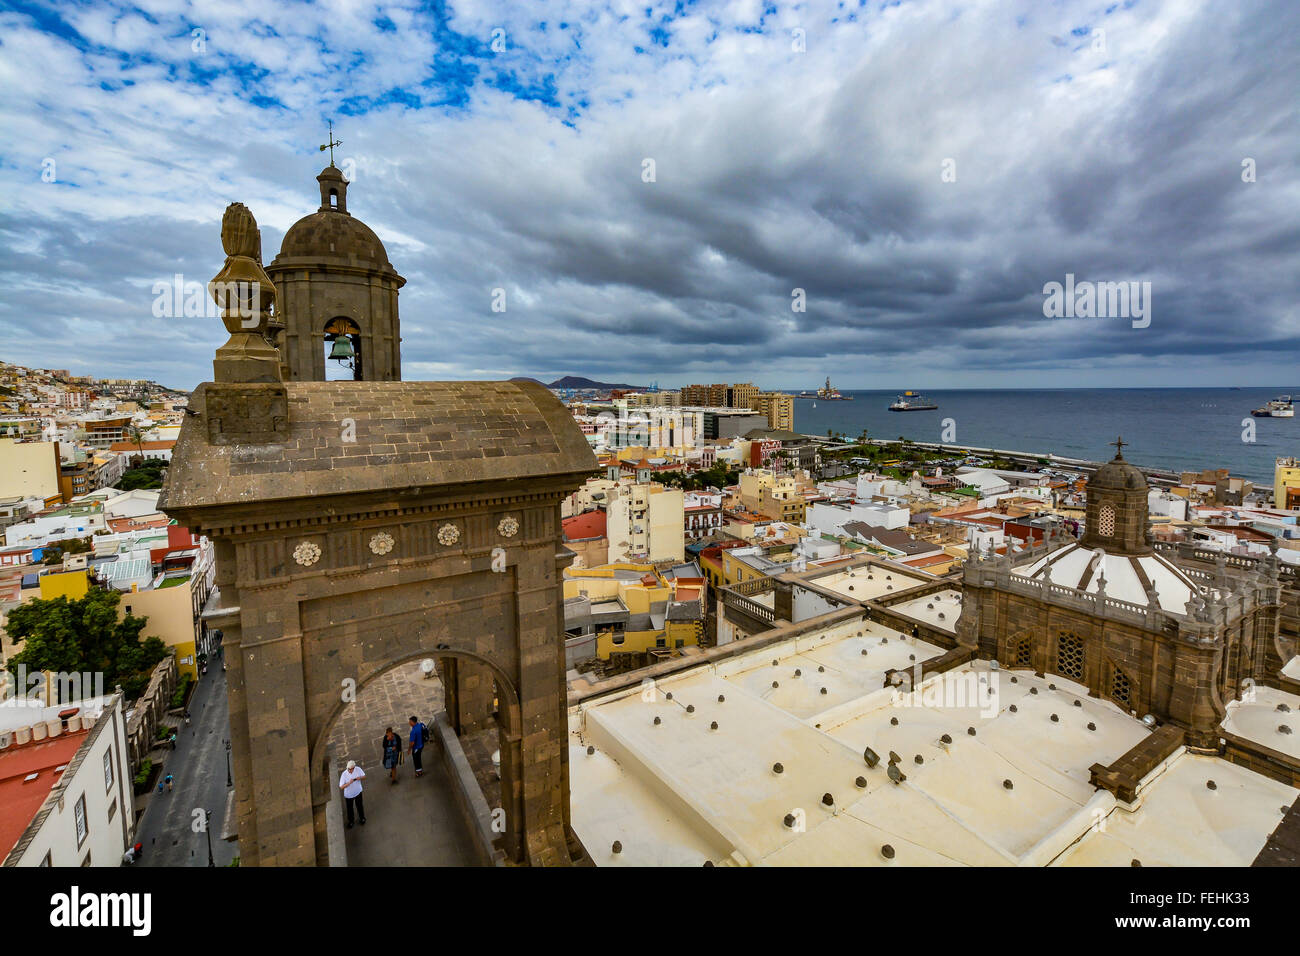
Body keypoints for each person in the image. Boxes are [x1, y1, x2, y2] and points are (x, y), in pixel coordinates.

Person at [339, 759, 366, 828]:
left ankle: (362, 818)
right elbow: (341, 787)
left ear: (354, 767)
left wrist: (358, 778)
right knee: (350, 809)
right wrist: (349, 783)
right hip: (349, 795)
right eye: (348, 769)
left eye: (351, 769)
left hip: (358, 792)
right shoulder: (344, 774)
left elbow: (364, 776)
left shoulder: (358, 769)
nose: (350, 770)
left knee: (360, 806)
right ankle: (351, 821)